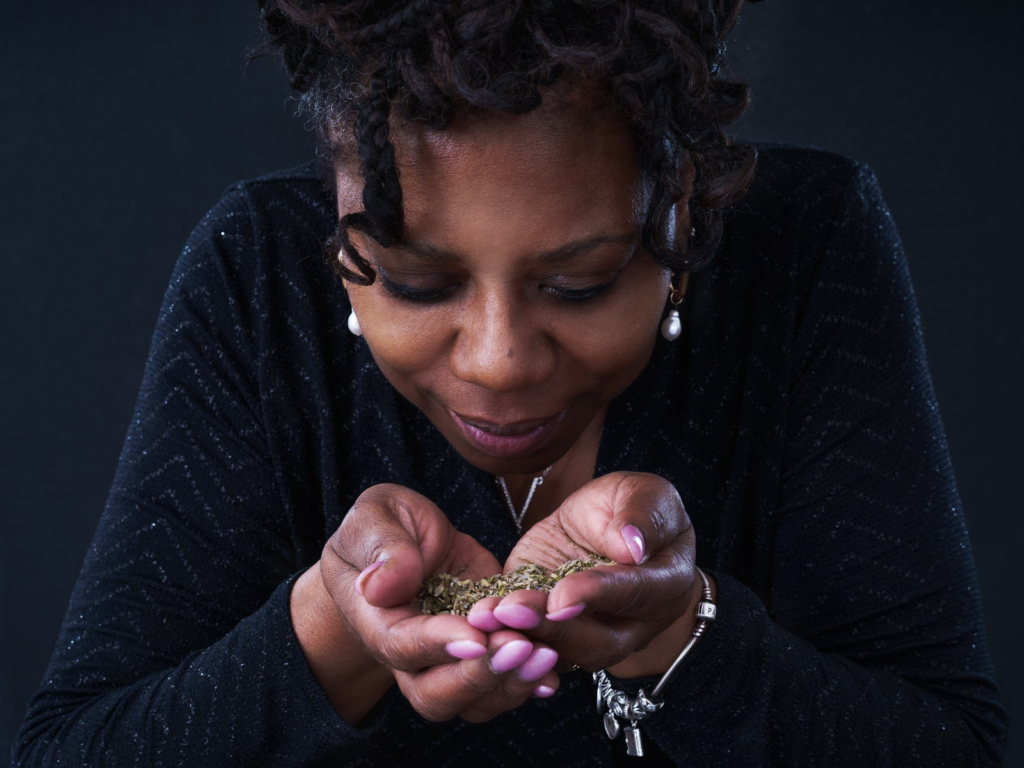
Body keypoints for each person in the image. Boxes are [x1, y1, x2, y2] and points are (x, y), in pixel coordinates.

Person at [13, 1, 1009, 765]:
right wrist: (336, 623)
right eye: (413, 281)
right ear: (336, 203)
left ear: (683, 214)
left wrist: (680, 633)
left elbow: (950, 747)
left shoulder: (806, 248)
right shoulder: (259, 271)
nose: (497, 361)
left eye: (580, 283)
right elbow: (71, 750)